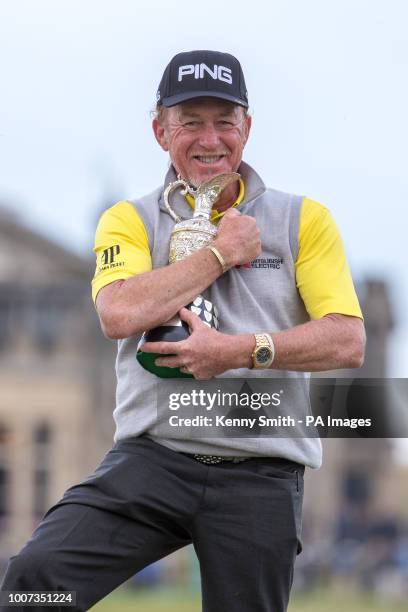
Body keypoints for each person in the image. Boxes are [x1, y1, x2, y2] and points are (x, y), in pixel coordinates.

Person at [0, 50, 365, 611]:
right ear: (160, 131)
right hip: (154, 458)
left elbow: (347, 339)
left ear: (247, 127)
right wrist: (221, 252)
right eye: (190, 121)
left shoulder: (302, 220)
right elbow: (118, 313)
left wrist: (240, 351)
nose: (210, 138)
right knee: (35, 581)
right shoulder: (130, 219)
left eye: (224, 121)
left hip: (261, 469)